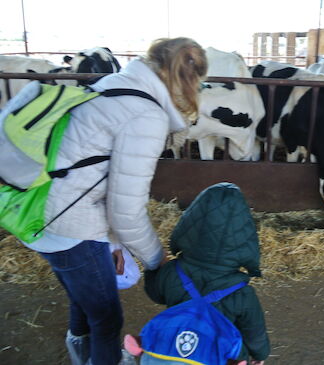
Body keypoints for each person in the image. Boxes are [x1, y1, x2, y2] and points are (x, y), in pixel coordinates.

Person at [21, 37, 208, 365]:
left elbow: (94, 174)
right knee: (107, 319)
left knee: (86, 294)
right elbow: (126, 210)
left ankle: (80, 348)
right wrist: (157, 260)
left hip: (42, 209)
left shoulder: (115, 84)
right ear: (189, 81)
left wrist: (114, 244)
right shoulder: (147, 115)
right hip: (70, 223)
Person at [135, 182, 270, 365]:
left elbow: (155, 293)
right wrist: (260, 355)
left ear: (190, 225)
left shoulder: (172, 272)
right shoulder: (243, 294)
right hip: (217, 356)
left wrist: (154, 269)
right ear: (244, 240)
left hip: (172, 351)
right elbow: (254, 332)